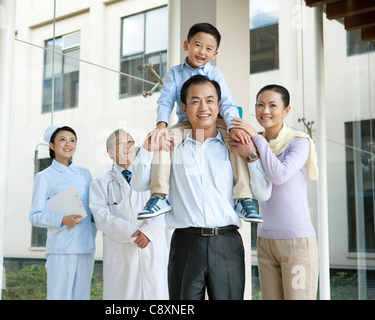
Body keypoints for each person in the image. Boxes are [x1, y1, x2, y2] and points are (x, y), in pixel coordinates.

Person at [132, 75, 272, 300]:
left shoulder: (236, 145)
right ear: (185, 108)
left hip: (227, 244)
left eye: (209, 100)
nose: (203, 107)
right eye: (195, 101)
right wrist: (147, 149)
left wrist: (253, 156)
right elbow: (138, 184)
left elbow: (263, 193)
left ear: (219, 106)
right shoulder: (172, 145)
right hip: (186, 245)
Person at [137, 22, 262, 223]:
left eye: (209, 48)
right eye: (197, 45)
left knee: (237, 141)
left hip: (217, 120)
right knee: (164, 140)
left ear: (215, 54)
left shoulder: (215, 74)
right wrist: (161, 124)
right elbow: (166, 100)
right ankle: (159, 196)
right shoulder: (175, 73)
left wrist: (233, 126)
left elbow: (228, 103)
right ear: (186, 45)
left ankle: (244, 198)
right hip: (187, 121)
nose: (202, 51)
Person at [230, 84, 319, 300]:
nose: (265, 111)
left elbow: (279, 175)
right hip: (265, 240)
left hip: (296, 242)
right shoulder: (253, 144)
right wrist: (253, 145)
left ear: (286, 110)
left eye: (272, 105)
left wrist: (257, 141)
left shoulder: (299, 142)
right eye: (260, 105)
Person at [89, 129, 169, 300]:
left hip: (152, 245)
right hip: (122, 251)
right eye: (120, 143)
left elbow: (164, 204)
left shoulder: (152, 174)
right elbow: (102, 218)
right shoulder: (100, 184)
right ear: (109, 152)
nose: (127, 147)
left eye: (130, 142)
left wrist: (148, 232)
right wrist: (134, 234)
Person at [29, 125, 97, 300]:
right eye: (62, 140)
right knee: (59, 296)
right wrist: (62, 219)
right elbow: (35, 216)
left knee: (82, 296)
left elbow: (93, 207)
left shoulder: (85, 174)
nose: (68, 144)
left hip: (86, 245)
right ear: (52, 146)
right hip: (61, 248)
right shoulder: (44, 177)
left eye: (72, 140)